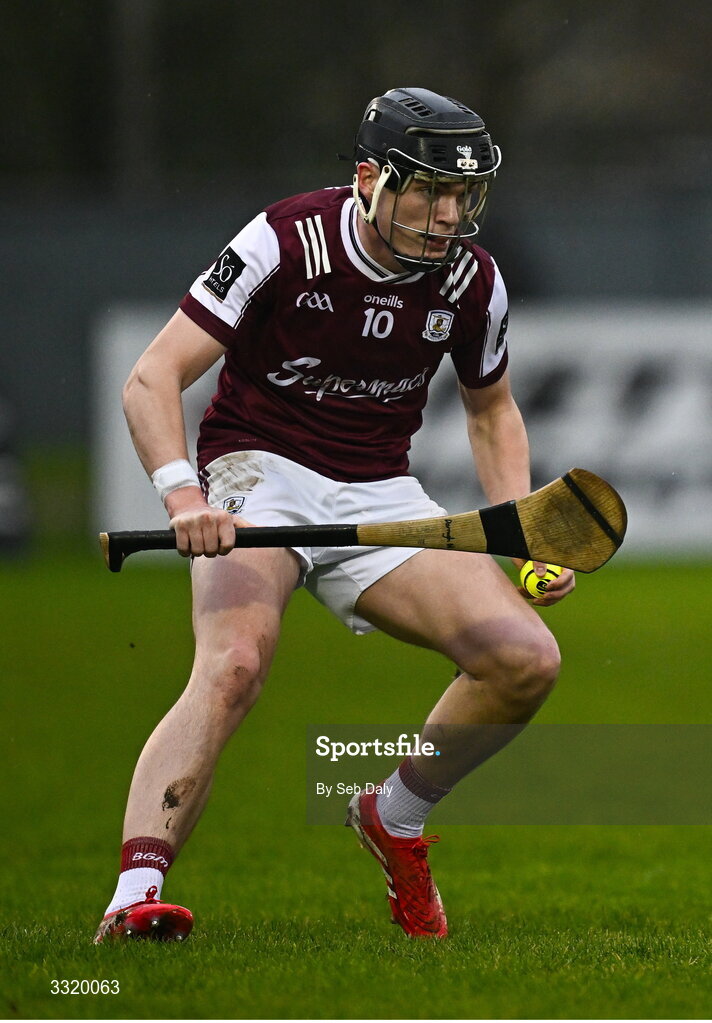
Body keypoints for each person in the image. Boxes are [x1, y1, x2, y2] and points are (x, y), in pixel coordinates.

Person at [94, 86, 574, 944]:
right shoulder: (286, 239)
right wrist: (184, 496)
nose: (447, 214)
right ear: (368, 177)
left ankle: (393, 815)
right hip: (258, 467)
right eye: (426, 189)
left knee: (525, 658)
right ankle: (135, 894)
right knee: (235, 661)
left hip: (378, 488)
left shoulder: (471, 279)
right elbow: (151, 377)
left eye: (462, 195)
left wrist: (521, 524)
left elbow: (492, 409)